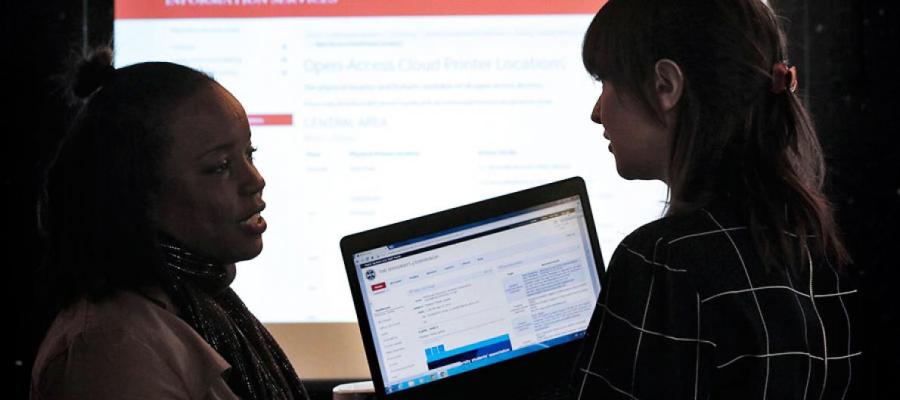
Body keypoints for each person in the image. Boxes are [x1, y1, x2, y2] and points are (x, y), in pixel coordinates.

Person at [572, 0, 859, 399]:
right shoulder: (814, 243)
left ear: (665, 86)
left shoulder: (663, 262)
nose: (597, 112)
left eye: (606, 82)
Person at [31, 47, 308, 399]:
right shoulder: (110, 351)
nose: (255, 180)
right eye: (220, 166)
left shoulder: (196, 302)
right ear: (139, 194)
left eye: (250, 154)